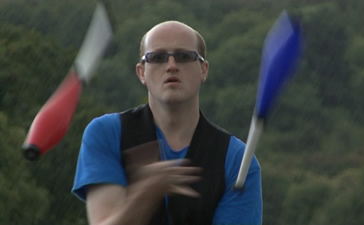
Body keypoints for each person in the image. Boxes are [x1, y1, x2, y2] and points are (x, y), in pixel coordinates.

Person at [72, 20, 262, 225]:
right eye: (158, 57)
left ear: (203, 70)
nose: (171, 66)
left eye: (183, 56)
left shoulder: (237, 160)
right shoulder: (107, 134)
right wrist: (145, 196)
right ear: (141, 72)